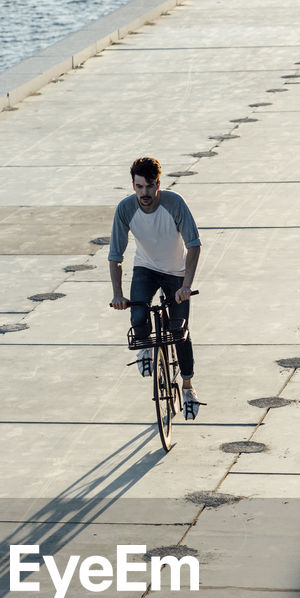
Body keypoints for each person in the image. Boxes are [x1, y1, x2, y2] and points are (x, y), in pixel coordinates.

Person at [109, 156, 202, 419]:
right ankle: (147, 348)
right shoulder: (126, 209)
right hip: (146, 269)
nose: (144, 193)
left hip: (176, 272)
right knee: (138, 316)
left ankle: (187, 387)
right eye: (139, 187)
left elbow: (193, 244)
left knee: (178, 331)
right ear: (133, 185)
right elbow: (115, 255)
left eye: (150, 187)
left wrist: (186, 286)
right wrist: (117, 294)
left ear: (158, 184)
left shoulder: (174, 204)